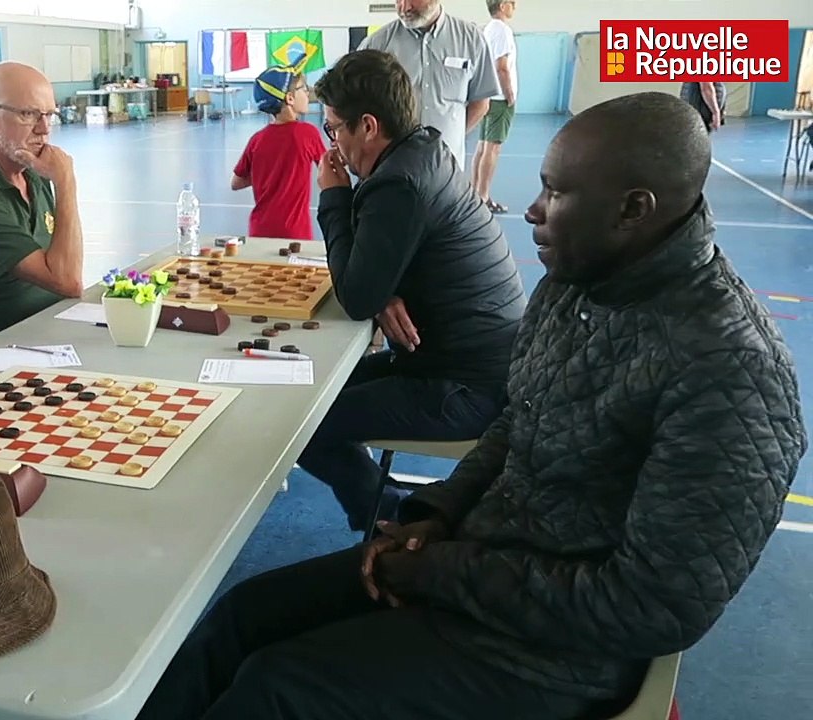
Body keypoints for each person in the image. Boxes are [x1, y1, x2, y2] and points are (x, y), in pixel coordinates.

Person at [138, 90, 806, 720]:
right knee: (238, 619)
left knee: (277, 689)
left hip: (553, 653)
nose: (533, 210)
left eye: (556, 192)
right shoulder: (579, 283)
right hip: (479, 562)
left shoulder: (731, 371)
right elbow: (519, 419)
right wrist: (438, 513)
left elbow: (651, 606)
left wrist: (440, 571)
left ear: (634, 208)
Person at [299, 50, 526, 530]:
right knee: (312, 394)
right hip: (473, 362)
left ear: (368, 126)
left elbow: (355, 297)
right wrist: (383, 287)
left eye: (334, 128)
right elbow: (373, 277)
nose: (333, 145)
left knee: (301, 423)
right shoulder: (424, 150)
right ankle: (385, 501)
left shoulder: (396, 184)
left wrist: (334, 196)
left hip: (466, 387)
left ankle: (389, 513)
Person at [0, 61, 83, 343]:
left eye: (49, 115)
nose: (44, 129)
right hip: (2, 345)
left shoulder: (28, 167)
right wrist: (65, 183)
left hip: (49, 327)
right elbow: (67, 280)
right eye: (28, 114)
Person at [358, 0, 500, 170]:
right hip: (393, 170)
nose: (405, 8)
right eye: (398, 0)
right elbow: (356, 106)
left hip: (447, 168)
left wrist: (447, 139)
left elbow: (481, 103)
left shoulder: (471, 39)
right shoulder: (376, 45)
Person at [230, 66, 326, 240]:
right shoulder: (308, 134)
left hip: (259, 230)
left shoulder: (256, 140)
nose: (307, 92)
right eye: (303, 88)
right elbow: (328, 172)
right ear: (289, 98)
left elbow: (236, 183)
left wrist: (269, 173)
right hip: (295, 232)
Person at [472, 0, 518, 213]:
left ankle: (475, 193)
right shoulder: (502, 31)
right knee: (493, 147)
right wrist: (509, 94)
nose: (514, 7)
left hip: (489, 95)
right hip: (499, 98)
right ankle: (483, 196)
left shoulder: (487, 29)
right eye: (511, 3)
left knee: (482, 145)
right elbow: (502, 67)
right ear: (502, 6)